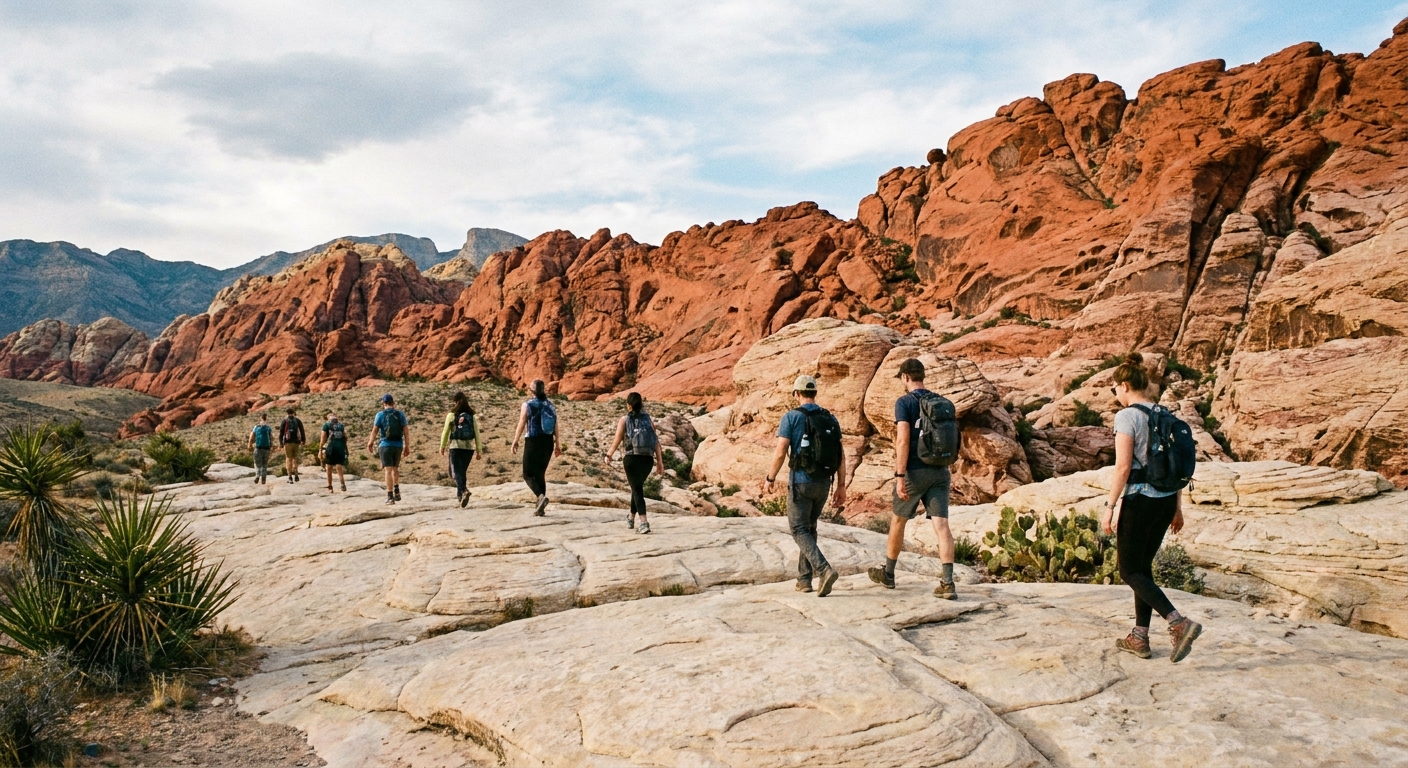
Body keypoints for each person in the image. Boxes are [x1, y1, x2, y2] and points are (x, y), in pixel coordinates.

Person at [1103, 352, 1204, 663]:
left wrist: (1109, 507)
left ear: (1123, 385)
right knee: (1142, 569)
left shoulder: (1127, 417)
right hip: (1163, 503)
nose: (1114, 395)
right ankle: (1139, 637)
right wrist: (1177, 509)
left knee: (1128, 570)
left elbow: (1122, 468)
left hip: (1140, 501)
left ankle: (1178, 622)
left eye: (1113, 389)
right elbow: (1171, 468)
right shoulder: (1162, 413)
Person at [868, 358, 960, 599]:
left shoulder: (905, 402)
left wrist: (900, 476)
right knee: (941, 525)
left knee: (898, 521)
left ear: (905, 377)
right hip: (940, 470)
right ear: (922, 376)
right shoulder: (939, 402)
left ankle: (888, 574)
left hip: (914, 471)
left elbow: (902, 440)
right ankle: (947, 582)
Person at [763, 375, 845, 597]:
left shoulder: (791, 417)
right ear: (815, 393)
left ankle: (823, 570)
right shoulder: (830, 418)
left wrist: (770, 478)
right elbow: (841, 455)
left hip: (801, 482)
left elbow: (781, 452)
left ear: (796, 394)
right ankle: (804, 579)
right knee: (810, 528)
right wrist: (841, 487)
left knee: (799, 529)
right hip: (823, 483)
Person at [605, 392, 665, 534]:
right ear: (641, 404)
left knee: (637, 489)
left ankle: (644, 522)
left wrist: (609, 455)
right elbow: (655, 441)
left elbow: (617, 439)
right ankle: (631, 517)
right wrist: (660, 462)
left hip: (632, 459)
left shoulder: (624, 419)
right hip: (647, 460)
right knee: (636, 487)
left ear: (629, 405)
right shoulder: (648, 419)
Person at [511, 379, 560, 516]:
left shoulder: (528, 405)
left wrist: (515, 440)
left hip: (533, 440)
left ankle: (540, 496)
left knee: (527, 474)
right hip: (548, 442)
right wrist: (558, 444)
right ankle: (540, 508)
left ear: (531, 391)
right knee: (540, 474)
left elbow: (522, 423)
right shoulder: (550, 405)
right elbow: (556, 424)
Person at [440, 391, 484, 508]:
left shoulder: (451, 415)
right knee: (462, 472)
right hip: (469, 448)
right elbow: (477, 433)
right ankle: (460, 497)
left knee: (455, 472)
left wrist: (442, 446)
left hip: (455, 447)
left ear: (455, 402)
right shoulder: (471, 416)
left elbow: (445, 432)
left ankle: (464, 491)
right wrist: (479, 449)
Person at [365, 394, 410, 505]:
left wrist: (370, 442)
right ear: (393, 403)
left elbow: (375, 430)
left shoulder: (380, 415)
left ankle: (390, 496)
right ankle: (397, 490)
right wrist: (407, 446)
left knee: (388, 470)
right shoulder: (400, 415)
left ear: (383, 403)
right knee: (395, 468)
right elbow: (406, 432)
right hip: (398, 445)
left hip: (385, 445)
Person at [320, 412, 349, 493]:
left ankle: (330, 486)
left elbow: (323, 438)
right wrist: (346, 450)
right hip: (340, 447)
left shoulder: (326, 425)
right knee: (339, 466)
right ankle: (342, 483)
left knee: (329, 467)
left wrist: (320, 449)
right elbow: (345, 437)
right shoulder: (341, 425)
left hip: (330, 447)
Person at [279, 407, 306, 483]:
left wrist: (281, 442)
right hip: (296, 442)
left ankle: (290, 476)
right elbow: (302, 430)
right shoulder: (297, 420)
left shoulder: (284, 421)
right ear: (293, 413)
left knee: (288, 458)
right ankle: (296, 474)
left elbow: (281, 433)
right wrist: (303, 440)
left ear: (287, 413)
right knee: (295, 458)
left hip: (287, 442)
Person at [248, 413, 274, 485]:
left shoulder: (256, 427)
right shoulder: (268, 428)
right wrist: (271, 446)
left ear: (260, 418)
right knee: (264, 463)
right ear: (266, 419)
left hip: (258, 448)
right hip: (266, 448)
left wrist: (249, 444)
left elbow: (252, 436)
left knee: (257, 463)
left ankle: (257, 475)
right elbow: (272, 438)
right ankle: (263, 477)